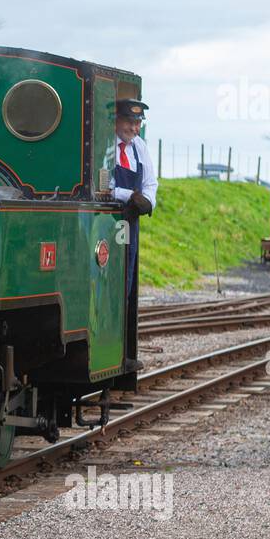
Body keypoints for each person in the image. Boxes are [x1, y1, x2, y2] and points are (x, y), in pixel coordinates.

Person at [109, 98, 157, 372]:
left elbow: (151, 182)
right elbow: (103, 185)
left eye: (137, 123)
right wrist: (130, 195)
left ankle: (122, 351)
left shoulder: (139, 147)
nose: (134, 128)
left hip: (130, 222)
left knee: (126, 283)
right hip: (109, 220)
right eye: (130, 122)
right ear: (116, 119)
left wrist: (148, 200)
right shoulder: (107, 147)